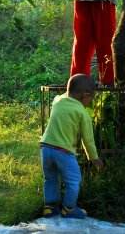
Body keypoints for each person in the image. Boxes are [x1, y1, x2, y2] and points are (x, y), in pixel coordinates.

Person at [40, 74, 103, 219]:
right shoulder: (82, 113)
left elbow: (64, 95)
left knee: (50, 178)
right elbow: (88, 140)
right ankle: (68, 208)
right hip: (63, 151)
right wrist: (94, 158)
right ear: (85, 95)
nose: (90, 102)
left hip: (45, 147)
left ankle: (50, 207)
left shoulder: (58, 101)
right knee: (74, 180)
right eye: (91, 98)